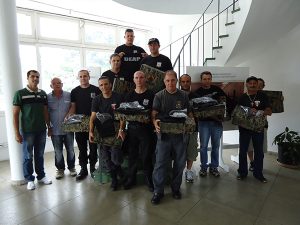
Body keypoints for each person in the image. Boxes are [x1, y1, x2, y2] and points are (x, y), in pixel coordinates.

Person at [151, 70, 192, 205]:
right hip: (164, 136)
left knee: (179, 164)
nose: (170, 83)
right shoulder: (159, 96)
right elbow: (154, 113)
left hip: (180, 136)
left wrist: (191, 122)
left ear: (176, 81)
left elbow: (190, 114)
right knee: (160, 164)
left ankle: (176, 189)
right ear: (164, 82)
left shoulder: (184, 96)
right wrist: (155, 121)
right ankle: (158, 191)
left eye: (172, 80)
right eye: (167, 81)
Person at [13, 70, 52, 190]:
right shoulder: (20, 93)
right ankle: (29, 179)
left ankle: (41, 176)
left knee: (39, 155)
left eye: (37, 77)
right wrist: (16, 133)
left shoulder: (43, 94)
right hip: (27, 131)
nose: (35, 79)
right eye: (32, 76)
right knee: (27, 156)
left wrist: (49, 127)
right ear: (28, 78)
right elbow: (15, 114)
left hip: (41, 130)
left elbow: (45, 111)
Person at [89, 76, 124, 191]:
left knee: (116, 157)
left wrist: (121, 129)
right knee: (106, 158)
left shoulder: (118, 97)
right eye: (101, 85)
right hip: (102, 130)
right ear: (99, 87)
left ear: (110, 84)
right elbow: (93, 117)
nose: (103, 87)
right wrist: (90, 131)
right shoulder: (97, 99)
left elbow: (122, 116)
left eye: (106, 84)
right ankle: (115, 179)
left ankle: (119, 171)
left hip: (116, 130)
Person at [122, 71, 155, 191]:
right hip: (132, 130)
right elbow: (123, 114)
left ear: (145, 79)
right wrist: (122, 129)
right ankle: (131, 179)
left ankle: (149, 179)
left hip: (147, 131)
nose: (139, 80)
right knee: (132, 156)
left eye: (141, 77)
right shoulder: (129, 95)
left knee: (146, 156)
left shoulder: (151, 95)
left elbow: (154, 113)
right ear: (134, 79)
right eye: (137, 77)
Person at [237, 76, 272, 183]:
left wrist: (260, 112)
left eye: (254, 83)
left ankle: (258, 174)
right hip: (244, 129)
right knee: (243, 151)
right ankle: (242, 173)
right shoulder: (242, 97)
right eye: (250, 83)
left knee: (259, 152)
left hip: (258, 128)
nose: (252, 85)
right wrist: (248, 111)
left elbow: (269, 111)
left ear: (257, 85)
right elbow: (238, 113)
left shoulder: (263, 96)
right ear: (246, 85)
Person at [68, 70, 101, 181]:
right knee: (82, 149)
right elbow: (73, 106)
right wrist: (69, 116)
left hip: (93, 124)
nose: (83, 78)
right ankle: (83, 169)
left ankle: (92, 168)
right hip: (79, 124)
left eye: (85, 76)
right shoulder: (74, 91)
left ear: (89, 77)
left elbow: (100, 106)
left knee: (93, 147)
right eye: (81, 76)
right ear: (78, 78)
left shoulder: (96, 90)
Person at [192, 71, 226, 178]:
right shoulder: (197, 92)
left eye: (208, 79)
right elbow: (195, 109)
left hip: (217, 123)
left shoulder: (218, 90)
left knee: (216, 146)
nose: (207, 81)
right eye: (204, 79)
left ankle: (214, 167)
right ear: (201, 80)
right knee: (203, 147)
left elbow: (224, 103)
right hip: (203, 123)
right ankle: (203, 168)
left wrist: (223, 116)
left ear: (211, 79)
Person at [47, 77, 77, 179]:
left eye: (59, 83)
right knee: (58, 151)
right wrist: (48, 127)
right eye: (54, 83)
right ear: (51, 86)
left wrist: (69, 114)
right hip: (55, 130)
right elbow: (45, 112)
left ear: (62, 84)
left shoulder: (69, 95)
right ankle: (60, 170)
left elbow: (73, 106)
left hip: (68, 129)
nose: (57, 85)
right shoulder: (48, 97)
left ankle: (72, 167)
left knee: (71, 149)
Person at [179, 74, 198, 183]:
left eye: (187, 81)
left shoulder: (196, 95)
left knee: (191, 149)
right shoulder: (176, 95)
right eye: (183, 81)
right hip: (179, 128)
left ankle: (189, 171)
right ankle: (178, 172)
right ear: (180, 83)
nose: (185, 83)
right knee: (179, 151)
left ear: (190, 82)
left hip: (193, 128)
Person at [247, 77, 267, 171]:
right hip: (248, 126)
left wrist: (280, 99)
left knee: (260, 147)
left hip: (261, 125)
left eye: (260, 86)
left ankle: (259, 165)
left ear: (263, 87)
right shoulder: (247, 95)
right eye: (256, 84)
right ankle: (252, 162)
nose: (257, 87)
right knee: (249, 145)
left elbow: (272, 109)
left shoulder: (265, 96)